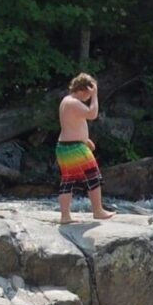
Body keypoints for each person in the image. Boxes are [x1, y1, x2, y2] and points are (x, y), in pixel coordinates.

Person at [56, 73, 112, 224]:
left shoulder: (66, 101)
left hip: (65, 146)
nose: (88, 97)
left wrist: (85, 140)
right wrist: (95, 96)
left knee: (67, 181)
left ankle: (65, 216)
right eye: (89, 92)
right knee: (93, 177)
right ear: (84, 89)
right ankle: (98, 211)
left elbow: (72, 124)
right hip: (75, 148)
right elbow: (92, 114)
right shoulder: (73, 102)